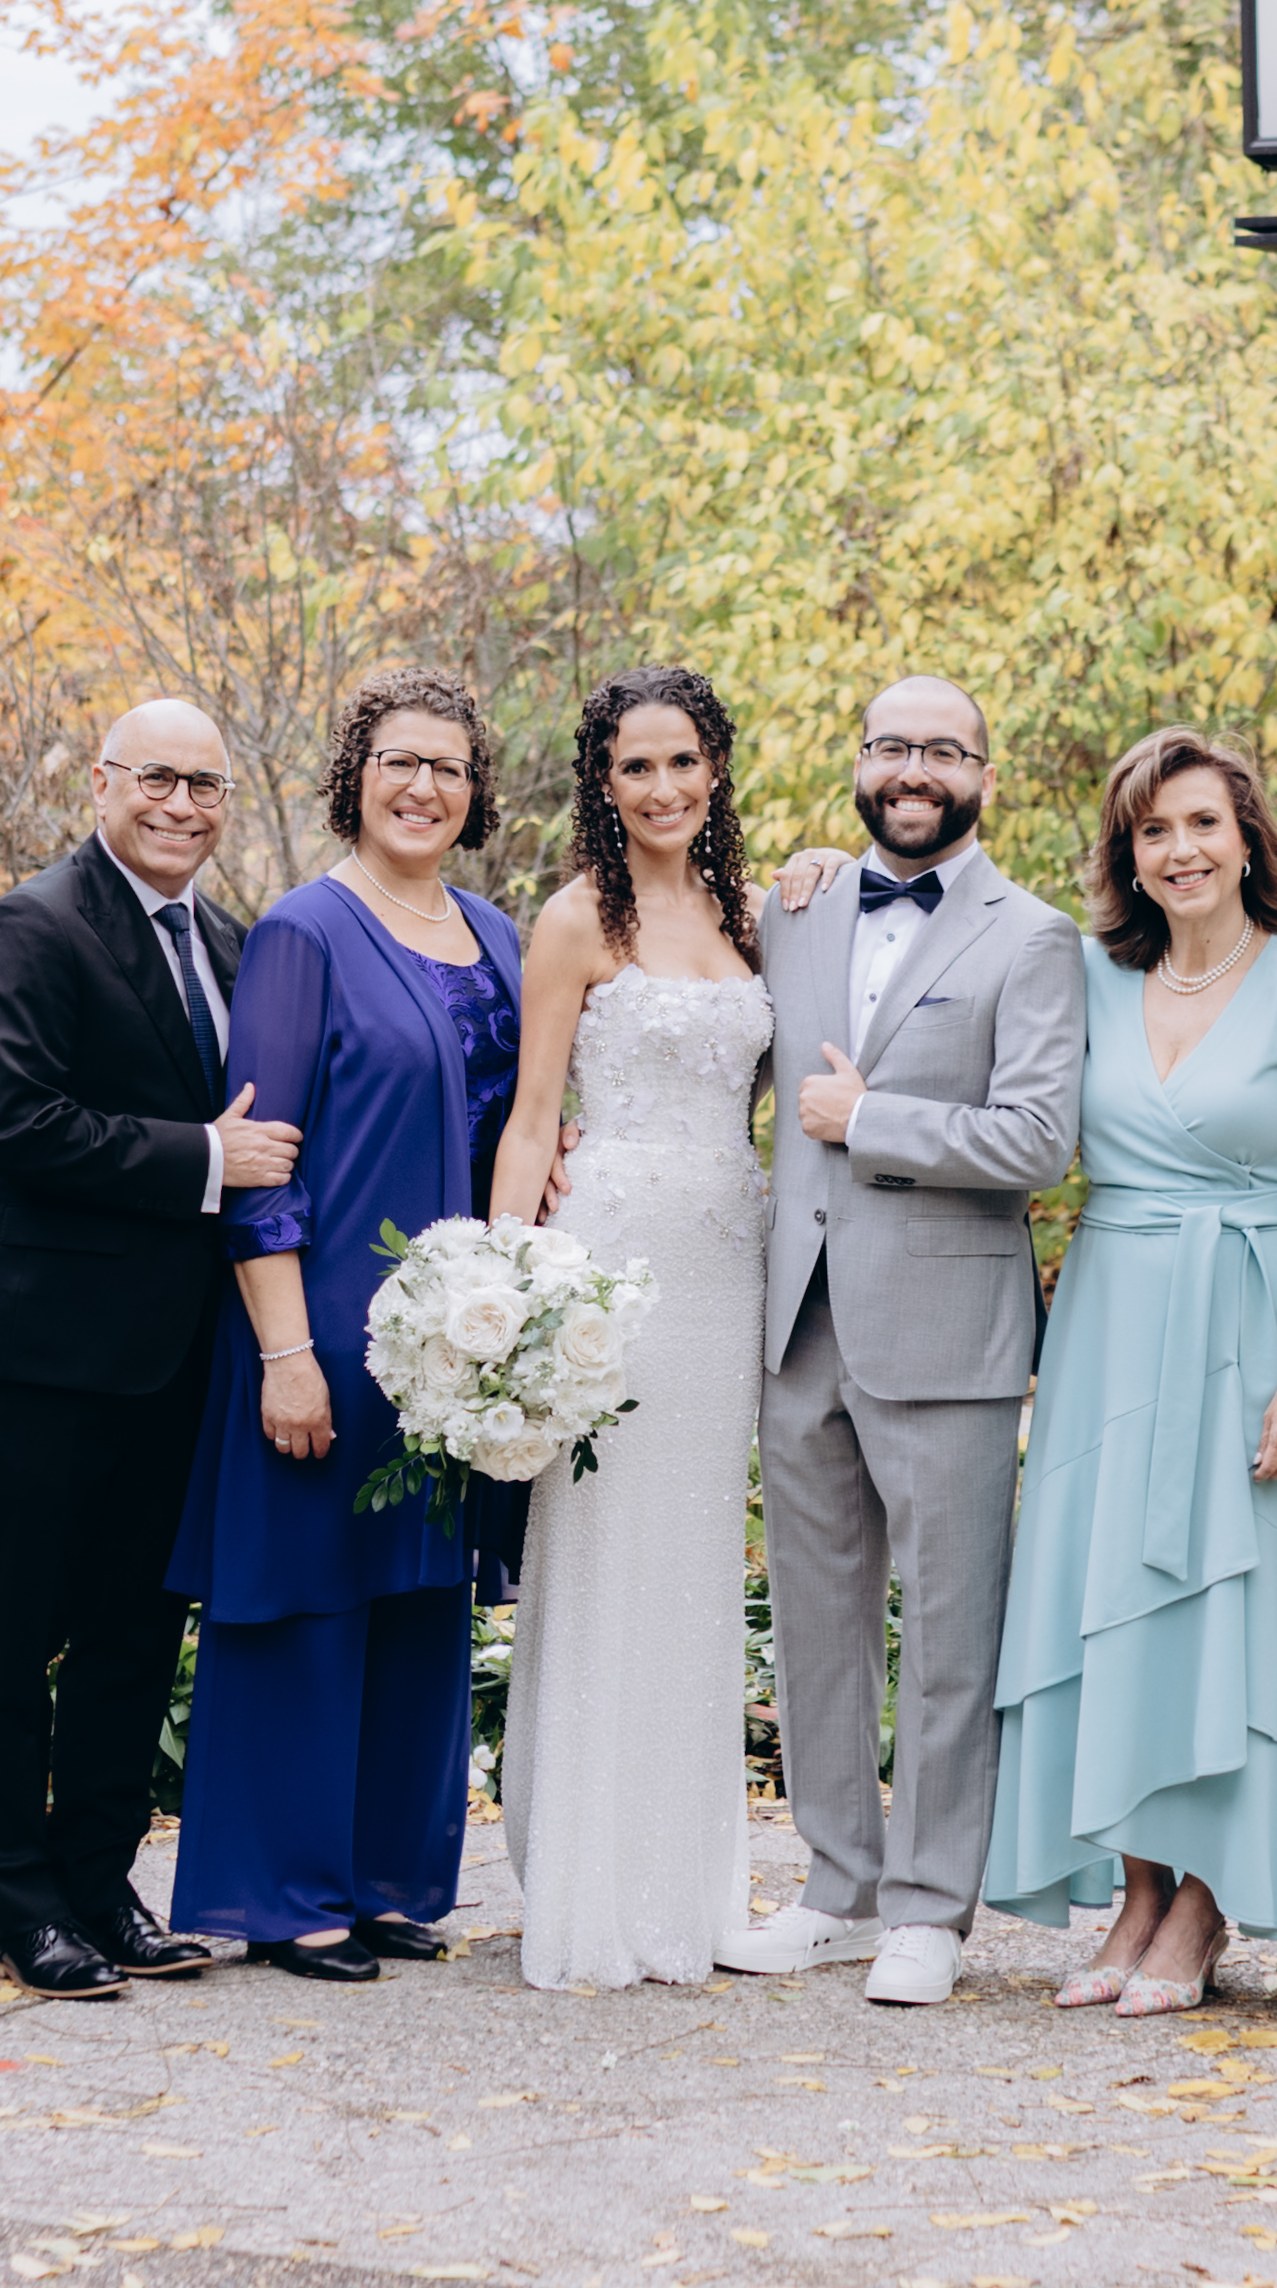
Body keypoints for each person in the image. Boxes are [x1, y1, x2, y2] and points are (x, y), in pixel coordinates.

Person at [982, 729, 1277, 2017]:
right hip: (1109, 1319)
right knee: (1115, 1601)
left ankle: (1206, 1907)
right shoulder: (1090, 980)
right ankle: (1137, 1893)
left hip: (1253, 1321)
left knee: (1238, 1610)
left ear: (1247, 839)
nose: (1180, 850)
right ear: (1128, 856)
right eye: (1153, 830)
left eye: (1203, 823)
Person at [0, 698, 307, 2001]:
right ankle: (20, 1907)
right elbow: (22, 1120)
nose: (181, 806)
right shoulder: (34, 925)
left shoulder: (229, 940)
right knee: (18, 1630)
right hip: (39, 1347)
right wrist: (206, 1158)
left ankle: (100, 1884)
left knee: (136, 1634)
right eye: (157, 778)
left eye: (206, 785)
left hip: (176, 1350)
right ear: (102, 782)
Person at [720, 674, 1088, 2007]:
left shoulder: (1032, 937)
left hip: (946, 1328)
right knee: (815, 1624)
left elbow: (1040, 1140)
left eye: (942, 749)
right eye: (891, 746)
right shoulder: (796, 905)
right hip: (797, 1320)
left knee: (946, 1633)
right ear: (860, 762)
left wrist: (870, 1120)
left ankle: (931, 1907)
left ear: (984, 773)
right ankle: (837, 1887)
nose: (913, 768)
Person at [162, 665, 525, 1985]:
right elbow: (260, 1167)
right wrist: (285, 1354)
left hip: (455, 1337)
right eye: (397, 762)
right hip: (320, 1324)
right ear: (354, 780)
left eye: (448, 766)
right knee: (304, 1607)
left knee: (420, 1604)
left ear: (475, 790)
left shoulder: (498, 936)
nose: (423, 786)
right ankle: (283, 1896)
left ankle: (384, 1881)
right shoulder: (303, 934)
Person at [484, 665, 774, 1991]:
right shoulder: (574, 921)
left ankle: (686, 1894)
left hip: (727, 1266)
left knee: (696, 1558)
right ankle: (592, 1888)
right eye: (635, 766)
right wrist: (508, 1303)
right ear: (602, 784)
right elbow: (532, 1120)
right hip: (610, 1264)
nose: (662, 788)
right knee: (605, 1551)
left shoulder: (754, 913)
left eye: (682, 761)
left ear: (715, 770)